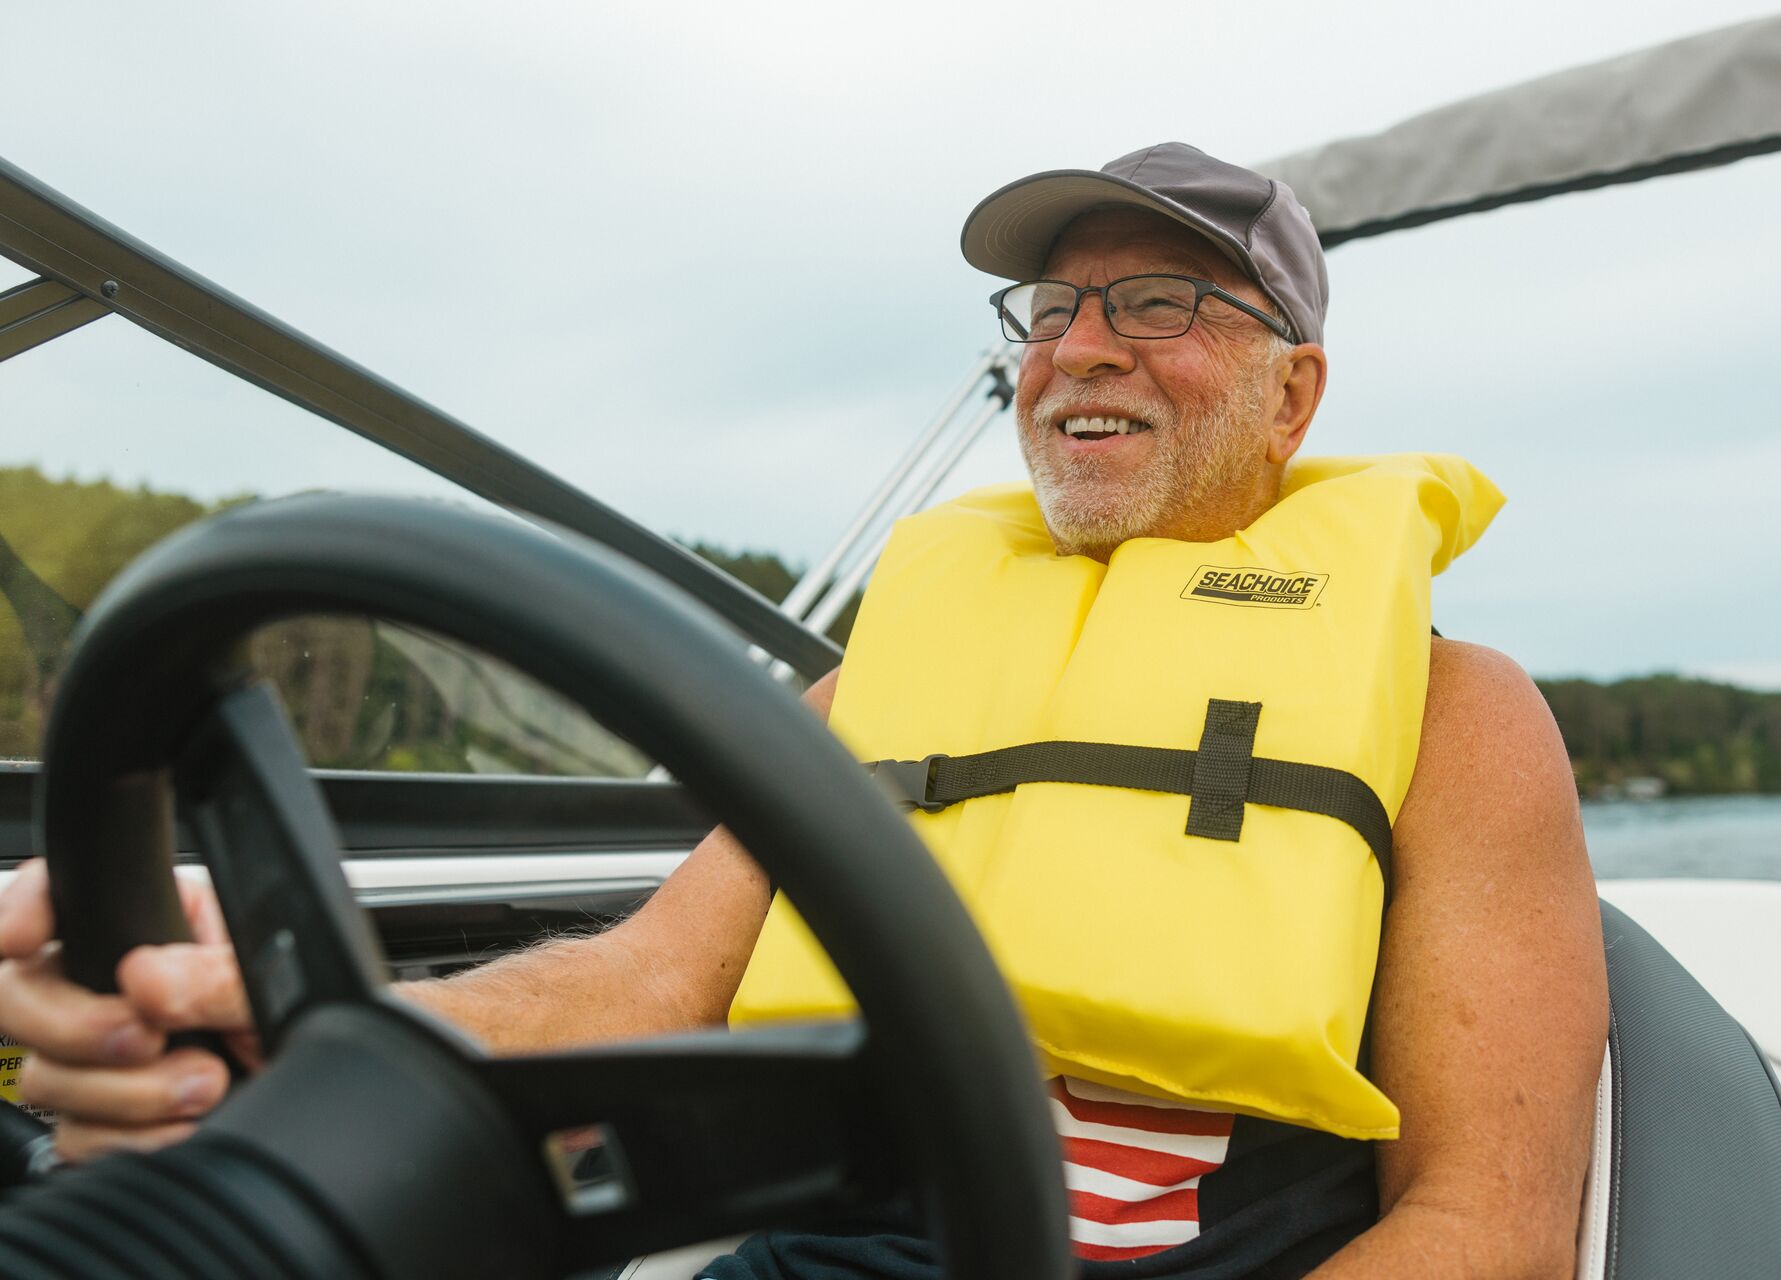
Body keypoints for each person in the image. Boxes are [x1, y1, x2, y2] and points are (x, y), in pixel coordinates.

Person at [0, 143, 1607, 1278]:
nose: (1077, 350)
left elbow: (1489, 1233)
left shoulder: (1455, 713)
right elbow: (640, 979)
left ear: (1294, 392)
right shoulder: (879, 680)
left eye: (1160, 305)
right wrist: (279, 1013)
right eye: (1049, 313)